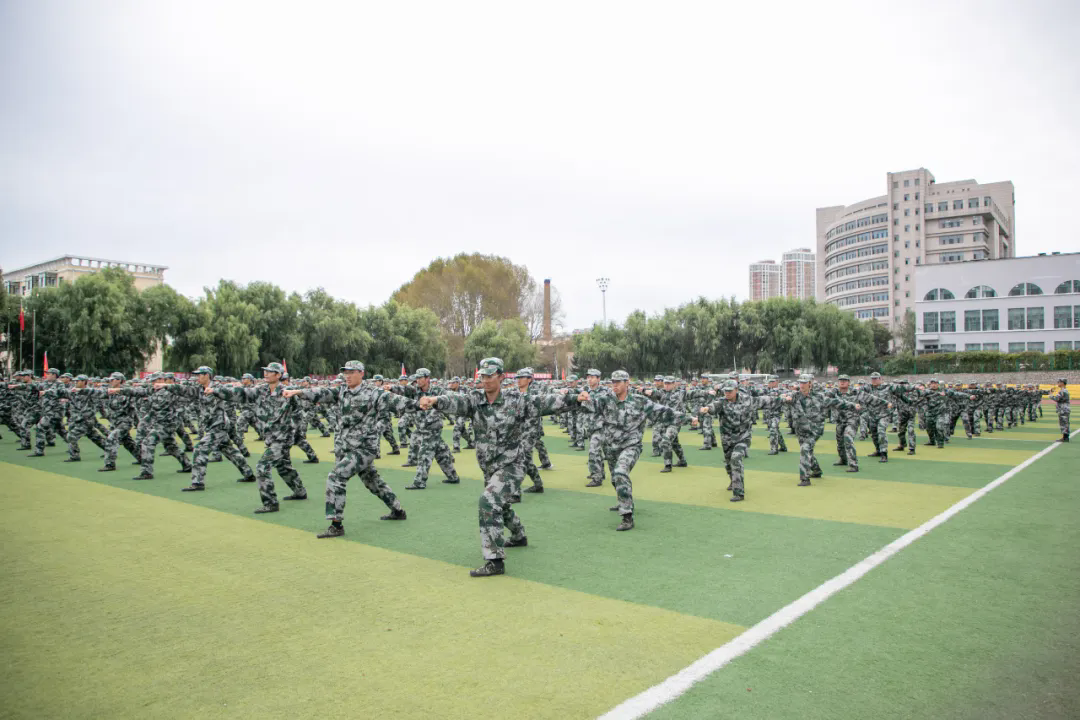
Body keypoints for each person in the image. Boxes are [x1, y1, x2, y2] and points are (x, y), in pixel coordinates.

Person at [419, 357, 575, 577]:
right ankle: (519, 535)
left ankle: (495, 560)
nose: (485, 380)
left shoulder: (515, 400)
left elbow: (543, 403)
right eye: (483, 376)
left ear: (501, 377)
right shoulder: (475, 400)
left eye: (490, 376)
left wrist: (576, 398)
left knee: (488, 501)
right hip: (490, 466)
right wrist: (435, 400)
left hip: (512, 465)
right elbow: (456, 401)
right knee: (500, 505)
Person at [287, 361, 416, 538]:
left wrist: (423, 404)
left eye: (351, 372)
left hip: (364, 448)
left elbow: (398, 401)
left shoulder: (373, 393)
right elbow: (321, 393)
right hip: (346, 447)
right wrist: (299, 392)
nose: (347, 376)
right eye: (345, 372)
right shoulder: (341, 391)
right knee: (373, 481)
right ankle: (398, 510)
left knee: (336, 477)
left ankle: (336, 524)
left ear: (361, 373)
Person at [577, 370, 695, 529]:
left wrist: (689, 418)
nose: (615, 385)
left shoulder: (640, 401)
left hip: (631, 446)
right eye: (613, 382)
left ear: (627, 383)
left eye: (618, 382)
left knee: (620, 472)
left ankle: (627, 516)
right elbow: (587, 405)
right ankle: (624, 500)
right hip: (611, 447)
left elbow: (664, 412)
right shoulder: (605, 400)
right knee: (615, 479)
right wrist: (581, 397)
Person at [232, 362, 309, 513]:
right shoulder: (261, 390)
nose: (266, 374)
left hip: (283, 438)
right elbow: (241, 393)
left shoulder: (287, 392)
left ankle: (270, 503)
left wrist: (295, 431)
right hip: (271, 437)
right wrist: (215, 391)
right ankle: (300, 491)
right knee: (283, 466)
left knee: (262, 467)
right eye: (265, 371)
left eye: (270, 371)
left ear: (278, 375)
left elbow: (298, 413)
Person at [177, 367, 256, 492]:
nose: (197, 377)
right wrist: (165, 386)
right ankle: (249, 474)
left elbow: (230, 393)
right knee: (229, 450)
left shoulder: (218, 387)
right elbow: (183, 390)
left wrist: (215, 391)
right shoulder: (199, 389)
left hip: (219, 425)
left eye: (199, 375)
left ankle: (197, 482)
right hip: (211, 425)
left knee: (200, 449)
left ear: (207, 375)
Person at [700, 379, 780, 501]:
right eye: (725, 391)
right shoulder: (721, 402)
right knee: (728, 463)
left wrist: (784, 399)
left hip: (743, 437)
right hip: (727, 439)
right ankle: (733, 480)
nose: (727, 393)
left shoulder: (747, 400)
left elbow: (766, 400)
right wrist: (706, 409)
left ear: (736, 390)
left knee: (736, 458)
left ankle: (738, 492)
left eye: (730, 391)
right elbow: (713, 407)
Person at [783, 375, 859, 486]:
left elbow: (836, 402)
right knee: (808, 451)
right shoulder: (794, 396)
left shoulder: (819, 397)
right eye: (800, 383)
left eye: (804, 383)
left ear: (810, 383)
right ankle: (817, 470)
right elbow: (783, 397)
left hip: (814, 429)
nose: (802, 385)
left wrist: (853, 405)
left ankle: (805, 478)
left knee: (805, 449)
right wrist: (785, 398)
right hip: (801, 429)